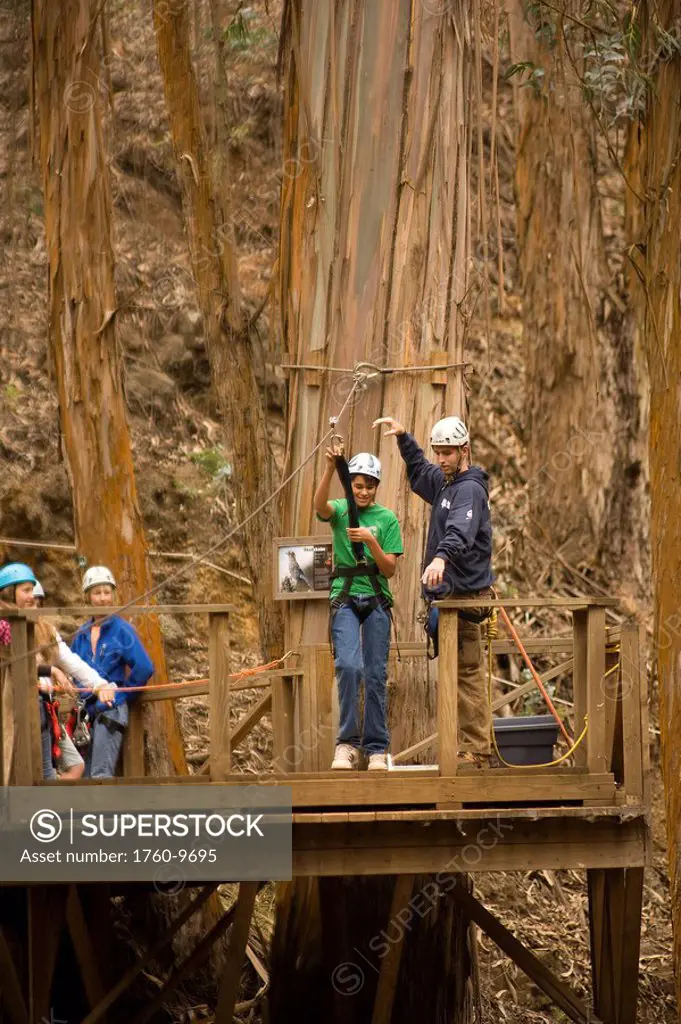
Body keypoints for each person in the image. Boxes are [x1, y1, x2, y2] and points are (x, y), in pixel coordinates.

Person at [374, 415, 494, 766]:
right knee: (454, 674)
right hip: (448, 599)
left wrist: (440, 558)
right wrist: (404, 439)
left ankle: (477, 750)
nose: (441, 459)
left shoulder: (469, 489)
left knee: (467, 674)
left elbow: (460, 531)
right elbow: (423, 472)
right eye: (438, 452)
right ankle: (466, 747)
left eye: (448, 453)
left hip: (466, 599)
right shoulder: (446, 483)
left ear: (464, 450)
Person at [314, 446, 403, 771]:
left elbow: (390, 569)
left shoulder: (386, 518)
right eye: (358, 485)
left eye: (369, 486)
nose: (363, 492)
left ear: (377, 486)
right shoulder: (340, 509)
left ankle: (377, 748)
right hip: (346, 597)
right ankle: (347, 744)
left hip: (376, 596)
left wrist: (370, 541)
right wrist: (328, 469)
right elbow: (319, 506)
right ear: (350, 485)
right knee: (349, 667)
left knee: (375, 673)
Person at [0, 562, 109, 780]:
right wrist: (51, 671)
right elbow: (16, 664)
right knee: (31, 772)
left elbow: (71, 661)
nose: (33, 597)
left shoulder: (43, 628)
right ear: (10, 594)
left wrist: (100, 684)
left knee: (70, 767)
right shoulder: (4, 625)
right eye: (26, 591)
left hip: (43, 706)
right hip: (17, 708)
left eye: (34, 591)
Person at [71, 566, 154, 778]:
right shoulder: (81, 635)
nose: (103, 598)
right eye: (97, 593)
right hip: (87, 713)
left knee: (100, 775)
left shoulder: (121, 630)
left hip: (110, 709)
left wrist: (122, 695)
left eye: (107, 592)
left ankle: (102, 812)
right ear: (88, 596)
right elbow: (73, 670)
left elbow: (144, 667)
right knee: (86, 777)